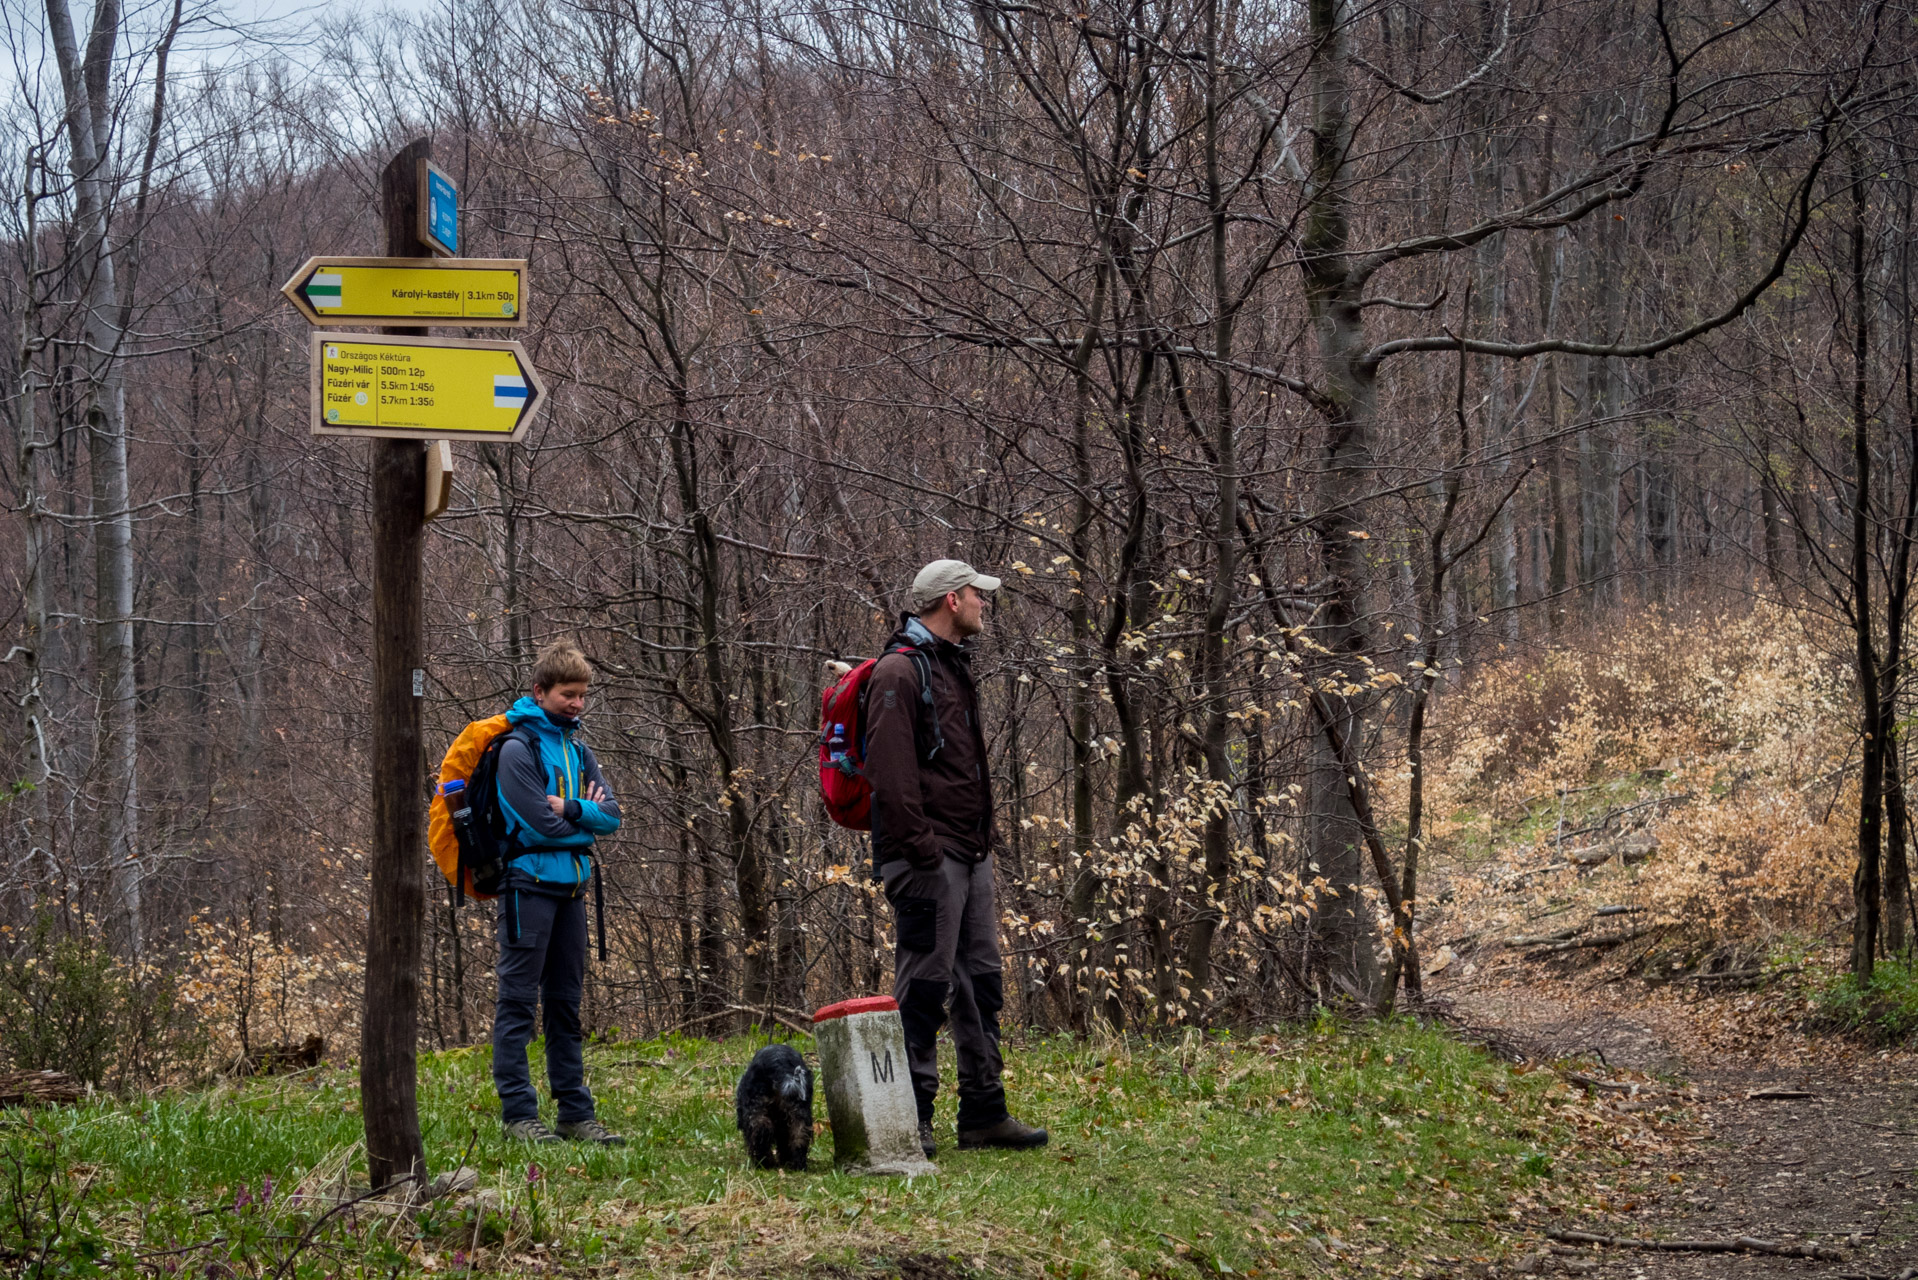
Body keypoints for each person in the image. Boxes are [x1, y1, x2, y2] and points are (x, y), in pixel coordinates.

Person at [863, 559, 1048, 1158]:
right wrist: (923, 852)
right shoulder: (899, 671)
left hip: (969, 853)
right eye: (977, 594)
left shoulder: (951, 666)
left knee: (982, 982)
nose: (984, 603)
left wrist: (976, 845)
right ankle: (910, 1118)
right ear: (949, 600)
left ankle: (983, 1113)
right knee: (923, 986)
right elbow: (891, 779)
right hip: (928, 858)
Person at [491, 639, 626, 1146]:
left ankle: (574, 1113)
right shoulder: (515, 749)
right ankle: (519, 1116)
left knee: (566, 1005)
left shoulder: (578, 750)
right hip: (526, 888)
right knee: (519, 1005)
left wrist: (571, 811)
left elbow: (610, 817)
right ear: (540, 691)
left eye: (582, 695)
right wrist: (581, 821)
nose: (576, 703)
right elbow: (538, 825)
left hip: (571, 890)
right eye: (568, 694)